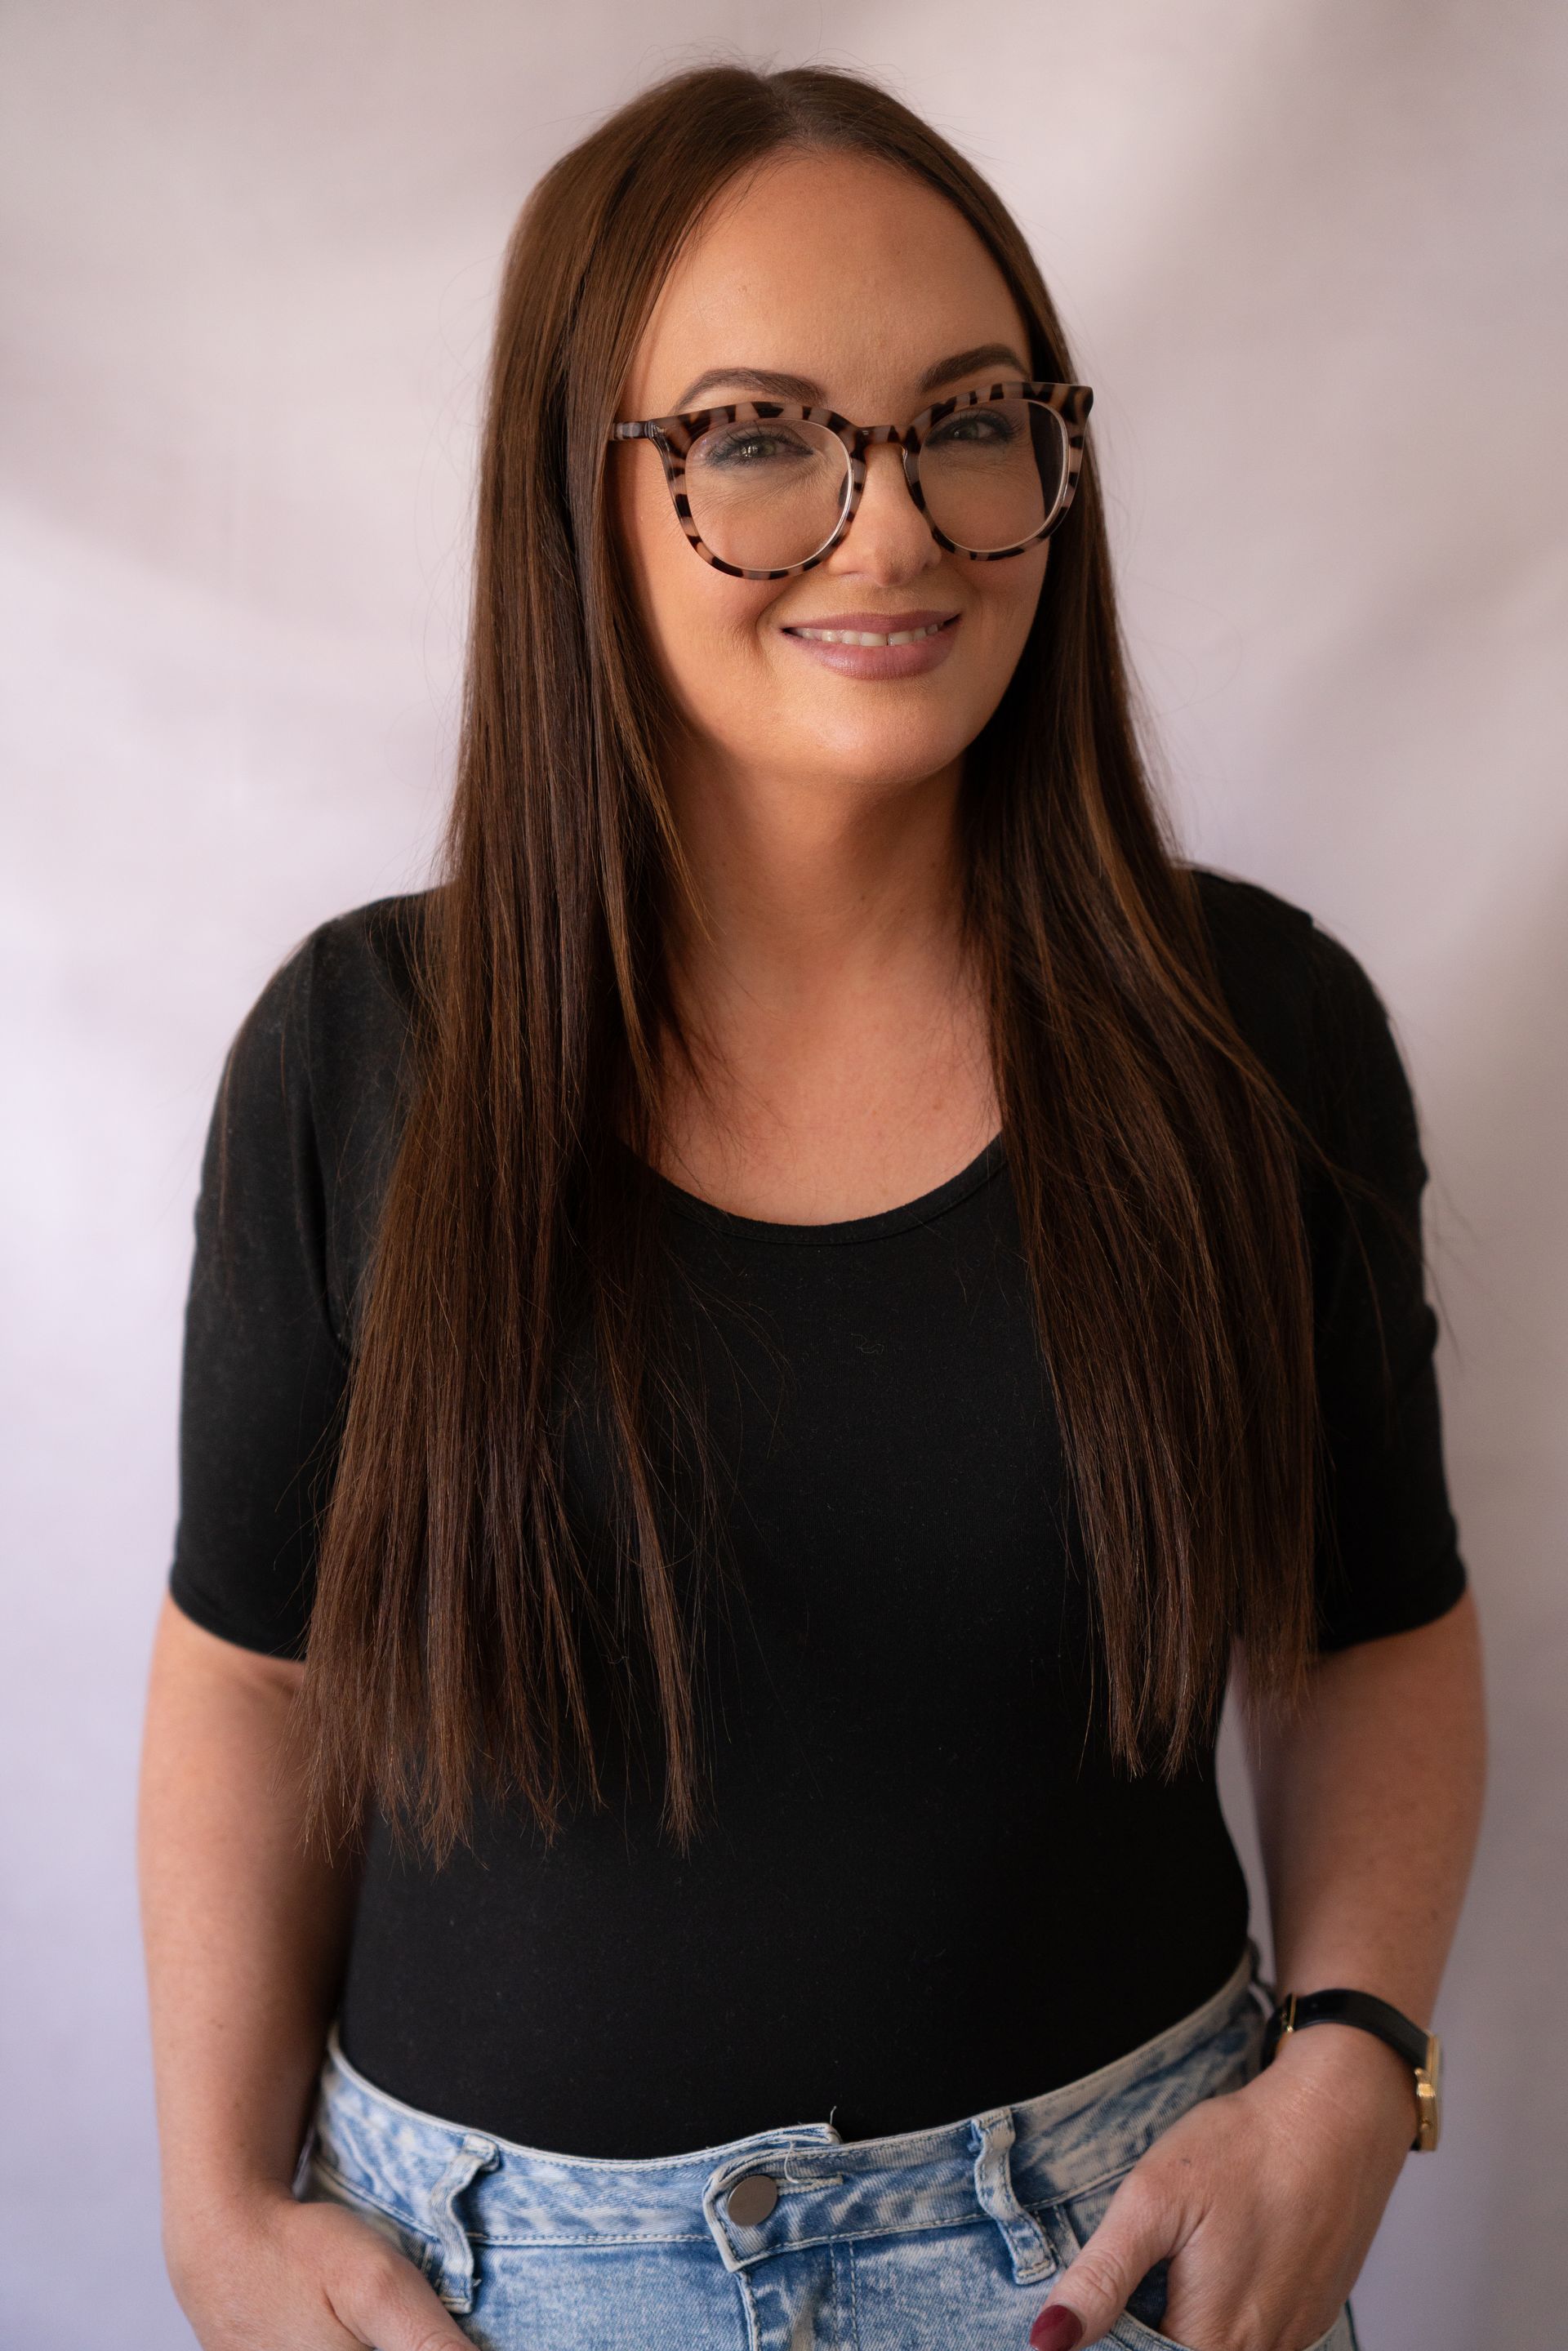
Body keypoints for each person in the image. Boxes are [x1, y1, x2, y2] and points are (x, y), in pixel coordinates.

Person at [136, 59, 1486, 2351]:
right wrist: (210, 2208)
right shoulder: (360, 1062)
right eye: (761, 435)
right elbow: (254, 1683)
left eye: (973, 416)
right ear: (583, 493)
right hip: (484, 2297)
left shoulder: (1257, 1035)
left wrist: (1356, 2065)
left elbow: (1374, 1622)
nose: (897, 530)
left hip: (1118, 2261)